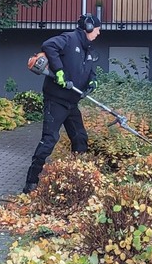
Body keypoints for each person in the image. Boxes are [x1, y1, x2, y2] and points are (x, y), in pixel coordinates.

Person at [23, 13, 102, 194]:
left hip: (72, 103)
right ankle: (31, 181)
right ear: (89, 27)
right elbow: (48, 46)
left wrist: (92, 81)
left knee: (80, 138)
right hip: (56, 100)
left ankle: (76, 176)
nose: (98, 33)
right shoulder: (69, 38)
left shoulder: (88, 49)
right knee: (49, 140)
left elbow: (90, 70)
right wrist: (59, 71)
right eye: (97, 29)